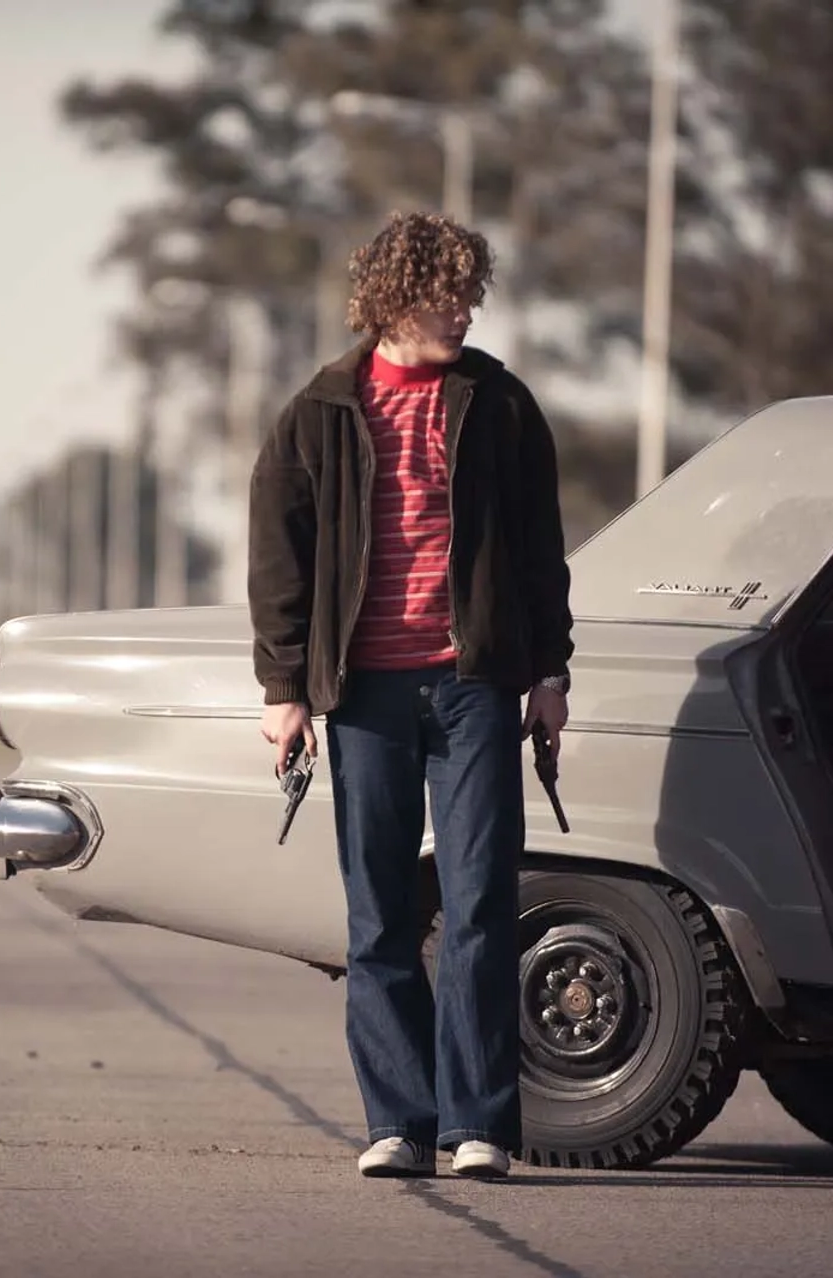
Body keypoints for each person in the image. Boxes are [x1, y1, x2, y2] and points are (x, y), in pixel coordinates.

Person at [247, 210, 575, 1180]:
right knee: (378, 913)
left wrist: (550, 670)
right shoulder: (321, 410)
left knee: (478, 901)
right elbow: (280, 558)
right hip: (364, 695)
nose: (464, 312)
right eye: (448, 295)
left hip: (475, 687)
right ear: (394, 296)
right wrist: (284, 687)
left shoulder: (499, 404)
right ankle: (398, 1120)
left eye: (472, 294)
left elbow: (541, 550)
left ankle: (479, 1125)